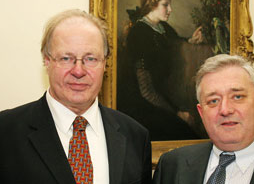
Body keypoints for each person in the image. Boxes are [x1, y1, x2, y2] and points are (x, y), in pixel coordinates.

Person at [0, 9, 152, 184]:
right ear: (47, 61)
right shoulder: (5, 133)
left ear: (104, 63)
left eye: (91, 59)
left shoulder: (135, 137)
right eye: (66, 58)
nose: (78, 71)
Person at [153, 54, 254, 183]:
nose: (225, 110)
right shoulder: (172, 166)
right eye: (213, 101)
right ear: (201, 113)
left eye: (237, 97)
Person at [117, 0, 202, 141]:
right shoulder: (139, 33)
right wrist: (176, 112)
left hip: (163, 99)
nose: (170, 10)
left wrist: (191, 40)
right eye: (165, 5)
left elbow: (174, 43)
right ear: (152, 3)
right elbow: (146, 91)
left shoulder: (163, 28)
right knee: (186, 136)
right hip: (143, 107)